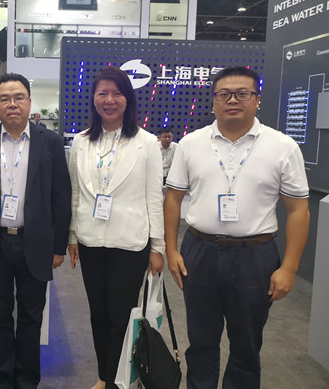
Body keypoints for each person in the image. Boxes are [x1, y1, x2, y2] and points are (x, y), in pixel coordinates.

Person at [164, 66, 310, 389]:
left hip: (254, 256)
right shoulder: (191, 144)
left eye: (242, 93)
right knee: (200, 342)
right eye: (224, 94)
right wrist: (171, 250)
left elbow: (299, 210)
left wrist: (289, 268)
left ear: (257, 100)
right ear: (213, 101)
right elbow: (172, 199)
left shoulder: (282, 146)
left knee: (246, 346)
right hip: (199, 252)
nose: (233, 100)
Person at [0, 73, 72, 388]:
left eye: (19, 97)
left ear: (29, 102)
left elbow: (61, 196)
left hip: (34, 243)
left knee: (31, 319)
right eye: (5, 99)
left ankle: (26, 381)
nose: (12, 104)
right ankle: (1, 381)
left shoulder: (50, 142)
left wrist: (59, 247)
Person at [66, 66, 164, 389]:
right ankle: (105, 376)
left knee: (121, 315)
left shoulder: (146, 143)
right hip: (90, 240)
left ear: (128, 99)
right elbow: (75, 191)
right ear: (93, 99)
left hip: (130, 243)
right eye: (102, 93)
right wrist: (72, 235)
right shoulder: (80, 142)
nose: (109, 100)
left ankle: (119, 380)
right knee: (98, 314)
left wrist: (158, 246)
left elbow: (154, 196)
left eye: (117, 93)